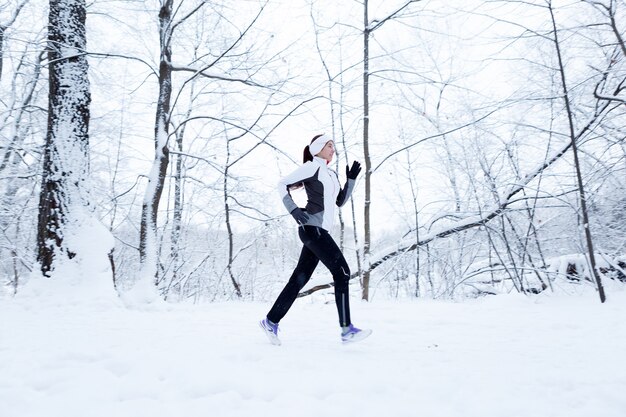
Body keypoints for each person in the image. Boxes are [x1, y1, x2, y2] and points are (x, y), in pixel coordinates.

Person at [259, 134, 372, 345]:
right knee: (343, 272)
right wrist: (293, 210)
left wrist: (351, 181)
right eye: (329, 145)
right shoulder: (312, 166)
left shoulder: (330, 174)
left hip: (319, 231)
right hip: (312, 229)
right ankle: (347, 329)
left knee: (299, 280)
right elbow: (282, 184)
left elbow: (339, 202)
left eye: (334, 146)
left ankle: (271, 321)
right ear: (318, 148)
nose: (333, 149)